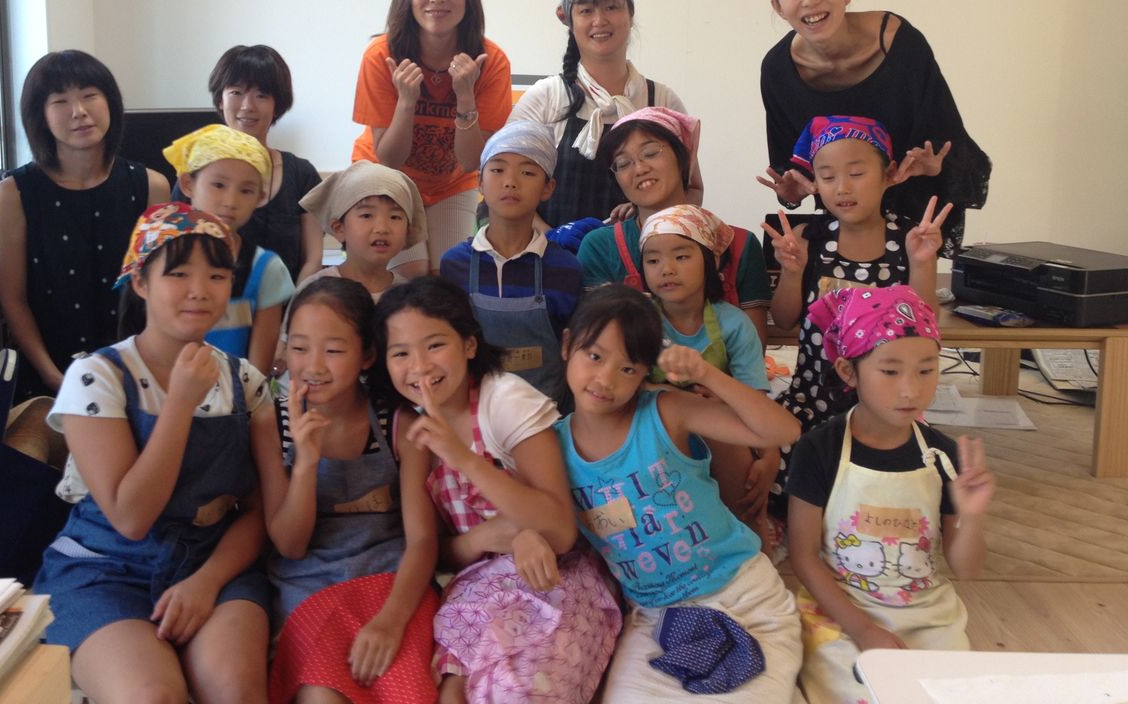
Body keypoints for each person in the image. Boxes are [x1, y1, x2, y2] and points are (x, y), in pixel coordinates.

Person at [33, 203, 278, 704]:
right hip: (104, 569)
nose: (199, 289)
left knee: (236, 690)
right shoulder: (96, 377)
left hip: (212, 563)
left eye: (217, 275)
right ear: (141, 282)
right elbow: (130, 517)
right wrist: (180, 403)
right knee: (152, 696)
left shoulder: (246, 382)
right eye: (179, 273)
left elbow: (258, 512)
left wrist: (206, 583)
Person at [372, 277, 620, 704]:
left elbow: (561, 532)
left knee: (516, 692)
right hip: (476, 586)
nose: (420, 366)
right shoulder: (409, 427)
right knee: (449, 692)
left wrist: (464, 459)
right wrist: (487, 538)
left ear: (469, 345)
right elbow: (434, 550)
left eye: (435, 345)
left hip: (558, 574)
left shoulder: (505, 401)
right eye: (400, 353)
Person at [554, 284, 803, 702]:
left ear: (644, 373)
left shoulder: (665, 412)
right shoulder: (551, 447)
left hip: (744, 596)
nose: (605, 380)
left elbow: (784, 431)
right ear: (567, 346)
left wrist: (706, 374)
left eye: (628, 368)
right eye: (594, 356)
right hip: (656, 620)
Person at [787, 285, 994, 704]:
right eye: (890, 371)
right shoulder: (819, 449)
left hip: (926, 614)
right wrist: (862, 629)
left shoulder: (944, 455)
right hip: (841, 609)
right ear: (848, 372)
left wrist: (972, 517)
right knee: (848, 689)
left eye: (926, 370)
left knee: (947, 693)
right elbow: (803, 556)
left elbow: (966, 568)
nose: (910, 390)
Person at [762, 115, 950, 515]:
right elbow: (785, 319)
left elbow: (925, 325)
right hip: (811, 399)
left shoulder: (908, 239)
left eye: (857, 173)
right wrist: (792, 273)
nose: (842, 188)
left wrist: (922, 263)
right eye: (827, 176)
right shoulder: (810, 239)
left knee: (911, 489)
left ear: (888, 175)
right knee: (772, 466)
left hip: (884, 409)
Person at [759, 0, 991, 254]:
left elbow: (946, 143)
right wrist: (793, 189)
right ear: (778, 6)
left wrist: (933, 166)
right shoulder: (777, 71)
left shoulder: (900, 44)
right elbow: (792, 168)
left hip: (911, 218)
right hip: (843, 222)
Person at [268, 277, 439, 704]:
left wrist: (390, 622)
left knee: (407, 693)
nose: (313, 366)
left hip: (393, 584)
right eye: (299, 347)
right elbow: (290, 545)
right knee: (321, 696)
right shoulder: (271, 423)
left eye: (333, 351)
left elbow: (422, 540)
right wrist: (306, 464)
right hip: (309, 586)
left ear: (367, 355)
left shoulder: (398, 421)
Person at [0, 50, 169, 399]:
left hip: (137, 374)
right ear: (40, 115)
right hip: (48, 379)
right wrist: (53, 376)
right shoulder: (13, 194)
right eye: (60, 101)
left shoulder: (152, 186)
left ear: (110, 102)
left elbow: (160, 290)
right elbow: (12, 297)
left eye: (90, 95)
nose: (79, 111)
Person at [351, 0, 514, 277]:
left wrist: (465, 97)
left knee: (450, 275)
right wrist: (406, 101)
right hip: (386, 177)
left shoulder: (491, 61)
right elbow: (389, 159)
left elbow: (471, 162)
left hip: (451, 183)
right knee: (409, 273)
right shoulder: (381, 55)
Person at [509, 0, 698, 225]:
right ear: (570, 21)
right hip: (551, 248)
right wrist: (551, 239)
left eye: (611, 7)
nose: (599, 20)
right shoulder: (545, 97)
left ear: (630, 15)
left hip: (642, 249)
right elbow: (507, 182)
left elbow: (691, 190)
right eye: (586, 10)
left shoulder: (662, 100)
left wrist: (649, 212)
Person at [639, 205, 777, 543]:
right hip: (651, 430)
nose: (666, 269)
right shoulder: (637, 321)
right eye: (653, 260)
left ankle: (751, 549)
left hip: (720, 430)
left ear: (711, 261)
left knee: (736, 458)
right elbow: (626, 385)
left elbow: (755, 400)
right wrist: (675, 395)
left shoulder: (733, 324)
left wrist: (769, 456)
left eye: (681, 256)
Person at [577, 107, 772, 344]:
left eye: (650, 153)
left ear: (683, 158)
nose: (639, 169)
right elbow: (598, 349)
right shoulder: (599, 246)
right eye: (623, 163)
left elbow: (752, 353)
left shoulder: (739, 244)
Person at [438, 122, 584, 404]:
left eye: (528, 172)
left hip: (548, 415)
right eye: (497, 170)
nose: (510, 182)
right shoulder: (454, 264)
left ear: (548, 187)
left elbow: (576, 351)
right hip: (474, 415)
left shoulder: (566, 269)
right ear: (480, 182)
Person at [163, 124, 295, 374]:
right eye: (218, 185)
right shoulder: (161, 258)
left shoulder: (266, 269)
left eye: (245, 190)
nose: (230, 201)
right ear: (188, 184)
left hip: (236, 395)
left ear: (260, 197)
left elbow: (257, 373)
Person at [207, 44, 323, 282]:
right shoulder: (197, 172)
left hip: (288, 302)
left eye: (261, 95)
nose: (247, 106)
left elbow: (313, 259)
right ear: (220, 99)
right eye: (236, 92)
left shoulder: (301, 174)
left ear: (277, 105)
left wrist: (296, 303)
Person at [298, 160, 427, 301]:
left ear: (407, 232)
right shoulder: (316, 293)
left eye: (395, 217)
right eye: (367, 215)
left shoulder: (409, 297)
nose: (382, 228)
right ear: (339, 228)